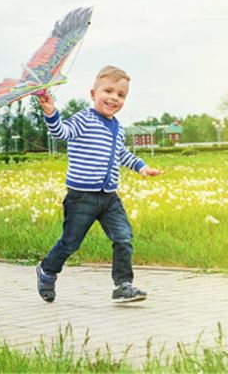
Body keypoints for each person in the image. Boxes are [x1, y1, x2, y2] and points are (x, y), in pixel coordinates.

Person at [35, 65, 162, 303]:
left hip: (109, 197)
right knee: (70, 242)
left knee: (123, 237)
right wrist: (51, 112)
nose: (114, 98)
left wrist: (142, 167)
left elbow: (121, 154)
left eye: (121, 95)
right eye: (108, 91)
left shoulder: (118, 127)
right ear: (93, 94)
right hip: (81, 196)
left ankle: (123, 285)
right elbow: (62, 133)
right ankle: (47, 271)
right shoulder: (84, 119)